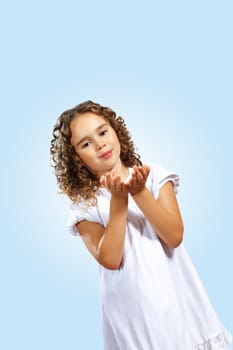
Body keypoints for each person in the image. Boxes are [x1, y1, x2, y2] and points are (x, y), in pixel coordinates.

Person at [50, 100, 232, 350]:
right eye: (86, 143)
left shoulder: (154, 176)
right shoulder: (85, 204)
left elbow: (174, 235)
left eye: (102, 132)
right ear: (76, 159)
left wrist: (139, 193)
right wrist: (118, 200)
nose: (99, 143)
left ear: (116, 132)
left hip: (176, 294)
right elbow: (110, 259)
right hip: (131, 310)